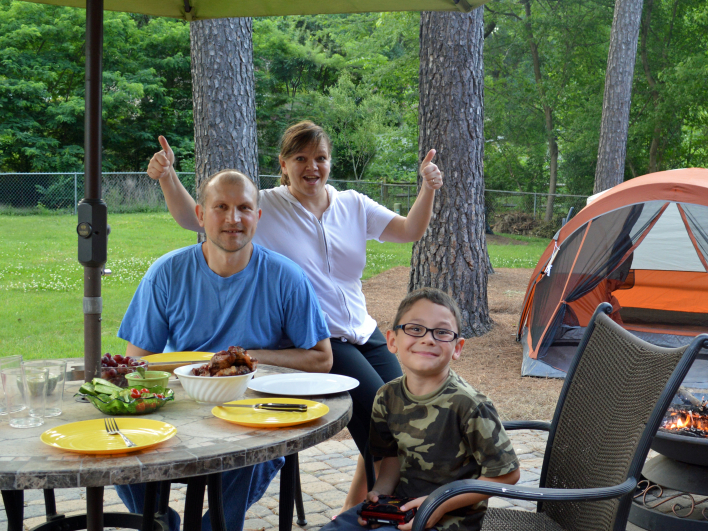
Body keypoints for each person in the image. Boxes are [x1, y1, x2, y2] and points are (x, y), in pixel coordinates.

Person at [147, 120, 443, 509]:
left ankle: (352, 513)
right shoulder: (266, 205)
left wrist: (427, 189)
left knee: (409, 417)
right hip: (322, 340)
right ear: (283, 164)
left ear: (330, 162)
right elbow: (196, 219)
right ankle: (374, 512)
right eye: (300, 157)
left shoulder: (353, 203)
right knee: (386, 426)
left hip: (364, 333)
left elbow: (409, 230)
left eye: (320, 157)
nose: (312, 167)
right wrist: (168, 177)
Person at [117, 169, 332, 531]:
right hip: (181, 402)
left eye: (244, 208)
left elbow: (322, 358)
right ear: (200, 215)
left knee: (258, 450)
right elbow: (136, 361)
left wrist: (250, 357)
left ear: (258, 217)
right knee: (119, 438)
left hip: (254, 406)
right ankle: (155, 521)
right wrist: (201, 368)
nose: (233, 219)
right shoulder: (166, 273)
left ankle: (214, 527)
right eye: (221, 207)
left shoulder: (287, 277)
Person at [323, 287, 520, 531]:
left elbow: (507, 476)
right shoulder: (386, 396)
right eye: (415, 329)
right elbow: (391, 457)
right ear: (392, 341)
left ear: (457, 347)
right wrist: (380, 495)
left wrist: (438, 504)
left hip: (451, 519)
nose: (428, 339)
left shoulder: (470, 405)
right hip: (401, 508)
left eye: (442, 332)